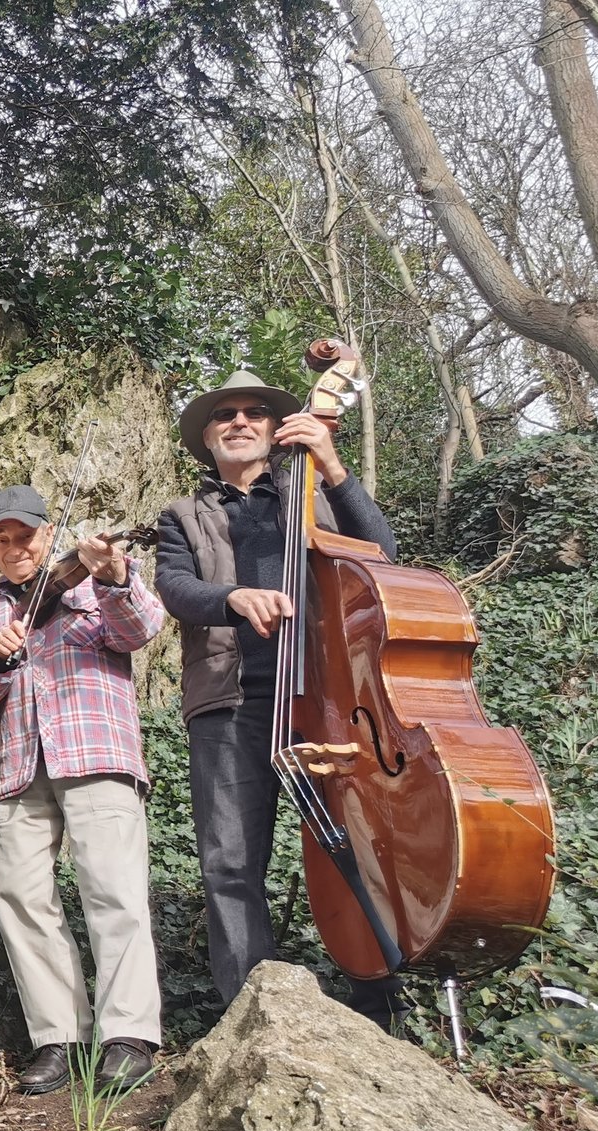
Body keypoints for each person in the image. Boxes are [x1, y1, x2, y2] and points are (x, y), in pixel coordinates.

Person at [154, 370, 404, 1024]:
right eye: (224, 414)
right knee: (229, 861)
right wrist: (231, 598)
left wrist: (332, 463)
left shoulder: (311, 490)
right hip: (229, 701)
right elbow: (175, 589)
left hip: (326, 696)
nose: (239, 420)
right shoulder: (183, 515)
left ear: (273, 430)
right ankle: (253, 1015)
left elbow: (384, 552)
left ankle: (377, 996)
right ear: (208, 438)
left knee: (353, 845)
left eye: (253, 413)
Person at [0, 485, 166, 1096]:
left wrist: (112, 571)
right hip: (19, 767)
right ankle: (59, 1037)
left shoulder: (92, 586)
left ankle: (129, 1035)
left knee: (114, 890)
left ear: (48, 535)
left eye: (25, 536)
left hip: (96, 753)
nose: (15, 547)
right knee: (21, 897)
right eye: (2, 539)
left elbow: (142, 628)